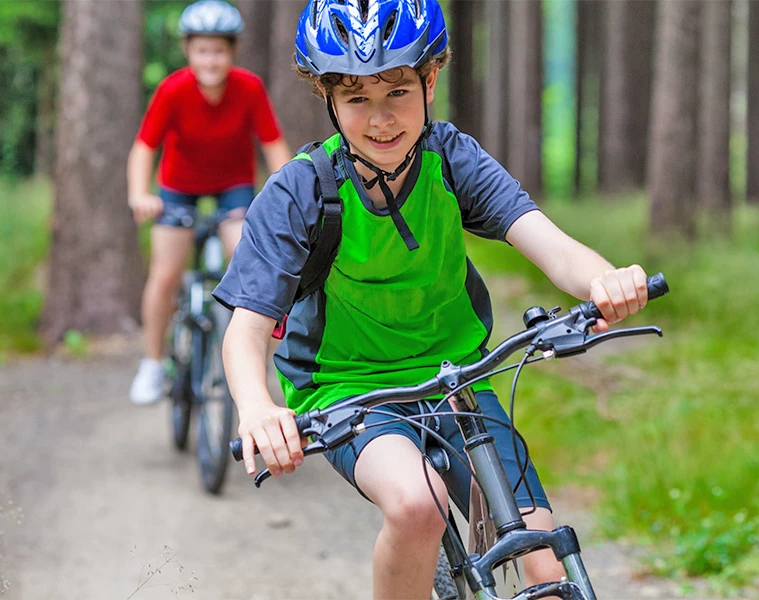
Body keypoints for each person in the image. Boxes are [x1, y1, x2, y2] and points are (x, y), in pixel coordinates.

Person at [214, 0, 649, 597]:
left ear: (431, 79)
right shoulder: (302, 189)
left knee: (547, 565)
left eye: (397, 91)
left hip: (459, 378)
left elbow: (551, 246)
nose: (381, 118)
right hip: (349, 391)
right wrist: (259, 409)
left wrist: (604, 280)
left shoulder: (452, 159)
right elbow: (245, 332)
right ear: (328, 98)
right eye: (357, 98)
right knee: (418, 504)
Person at [128, 0, 291, 405]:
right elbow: (144, 148)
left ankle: (252, 359)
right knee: (166, 273)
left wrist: (286, 194)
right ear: (188, 51)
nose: (210, 59)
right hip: (178, 188)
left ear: (232, 52)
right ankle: (152, 363)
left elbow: (273, 146)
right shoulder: (172, 90)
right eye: (202, 50)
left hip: (233, 187)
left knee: (247, 258)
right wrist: (140, 194)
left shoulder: (249, 88)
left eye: (218, 50)